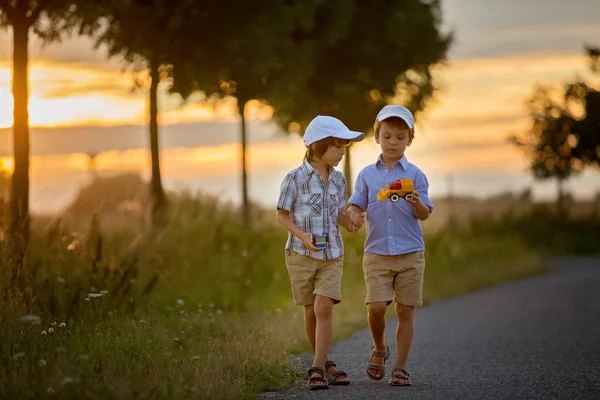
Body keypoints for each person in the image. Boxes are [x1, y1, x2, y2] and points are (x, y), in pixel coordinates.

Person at [346, 105, 433, 386]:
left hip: (410, 253)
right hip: (377, 253)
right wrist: (355, 215)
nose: (392, 142)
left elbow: (425, 213)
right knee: (375, 308)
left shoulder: (416, 175)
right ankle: (380, 348)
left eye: (399, 136)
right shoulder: (367, 175)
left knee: (405, 310)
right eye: (387, 136)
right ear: (377, 138)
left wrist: (417, 202)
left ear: (410, 139)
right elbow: (356, 205)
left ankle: (400, 367)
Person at [276, 115, 365, 390]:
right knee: (310, 311)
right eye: (338, 147)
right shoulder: (294, 178)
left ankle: (315, 367)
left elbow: (338, 213)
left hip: (332, 254)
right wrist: (303, 236)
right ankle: (326, 363)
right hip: (300, 255)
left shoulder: (339, 180)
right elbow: (282, 215)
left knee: (324, 306)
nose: (342, 152)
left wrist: (349, 221)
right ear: (319, 146)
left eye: (344, 148)